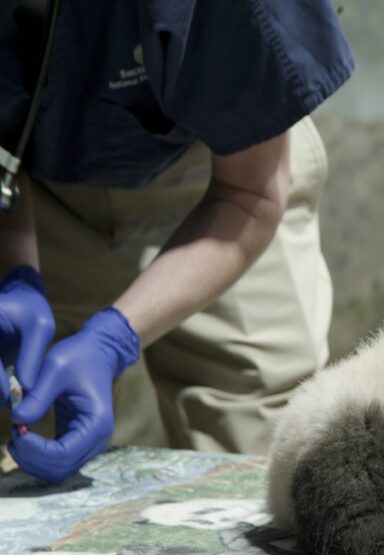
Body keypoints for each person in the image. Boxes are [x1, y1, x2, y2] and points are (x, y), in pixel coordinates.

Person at [0, 0, 354, 483]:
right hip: (38, 188)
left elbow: (250, 193)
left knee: (265, 464)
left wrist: (114, 338)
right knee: (23, 449)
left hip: (224, 166)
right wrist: (15, 272)